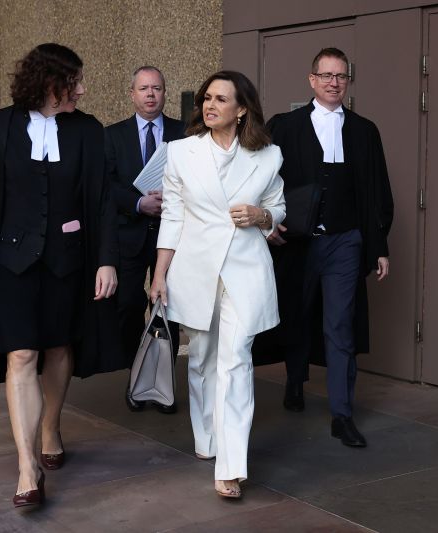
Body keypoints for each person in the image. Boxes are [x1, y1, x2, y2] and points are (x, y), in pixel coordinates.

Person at [0, 43, 122, 508]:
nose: (83, 89)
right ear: (51, 83)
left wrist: (106, 259)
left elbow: (102, 201)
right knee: (21, 355)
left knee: (57, 347)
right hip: (9, 265)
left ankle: (51, 424)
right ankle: (27, 465)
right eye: (76, 81)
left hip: (68, 263)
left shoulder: (89, 132)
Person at [150, 71, 285, 499]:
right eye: (206, 98)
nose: (209, 106)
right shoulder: (180, 152)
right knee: (203, 358)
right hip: (194, 270)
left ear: (241, 109)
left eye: (221, 99)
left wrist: (262, 218)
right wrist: (158, 273)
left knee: (235, 362)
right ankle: (207, 438)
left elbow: (277, 208)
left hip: (245, 272)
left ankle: (230, 465)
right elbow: (172, 215)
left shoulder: (268, 155)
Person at [259, 47, 394, 448]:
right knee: (296, 315)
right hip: (296, 242)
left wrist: (379, 246)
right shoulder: (284, 126)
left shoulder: (364, 131)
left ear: (348, 81)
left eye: (341, 76)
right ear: (312, 80)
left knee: (340, 325)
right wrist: (267, 224)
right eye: (327, 75)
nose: (334, 82)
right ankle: (294, 382)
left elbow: (376, 193)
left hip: (345, 242)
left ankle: (342, 414)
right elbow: (260, 179)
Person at [104, 66, 186, 414]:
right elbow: (106, 186)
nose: (150, 94)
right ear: (132, 93)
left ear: (165, 93)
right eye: (143, 88)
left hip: (173, 237)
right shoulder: (112, 136)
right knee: (126, 308)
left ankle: (163, 383)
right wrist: (139, 202)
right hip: (130, 235)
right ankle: (135, 377)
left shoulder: (185, 134)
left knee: (170, 310)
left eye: (157, 88)